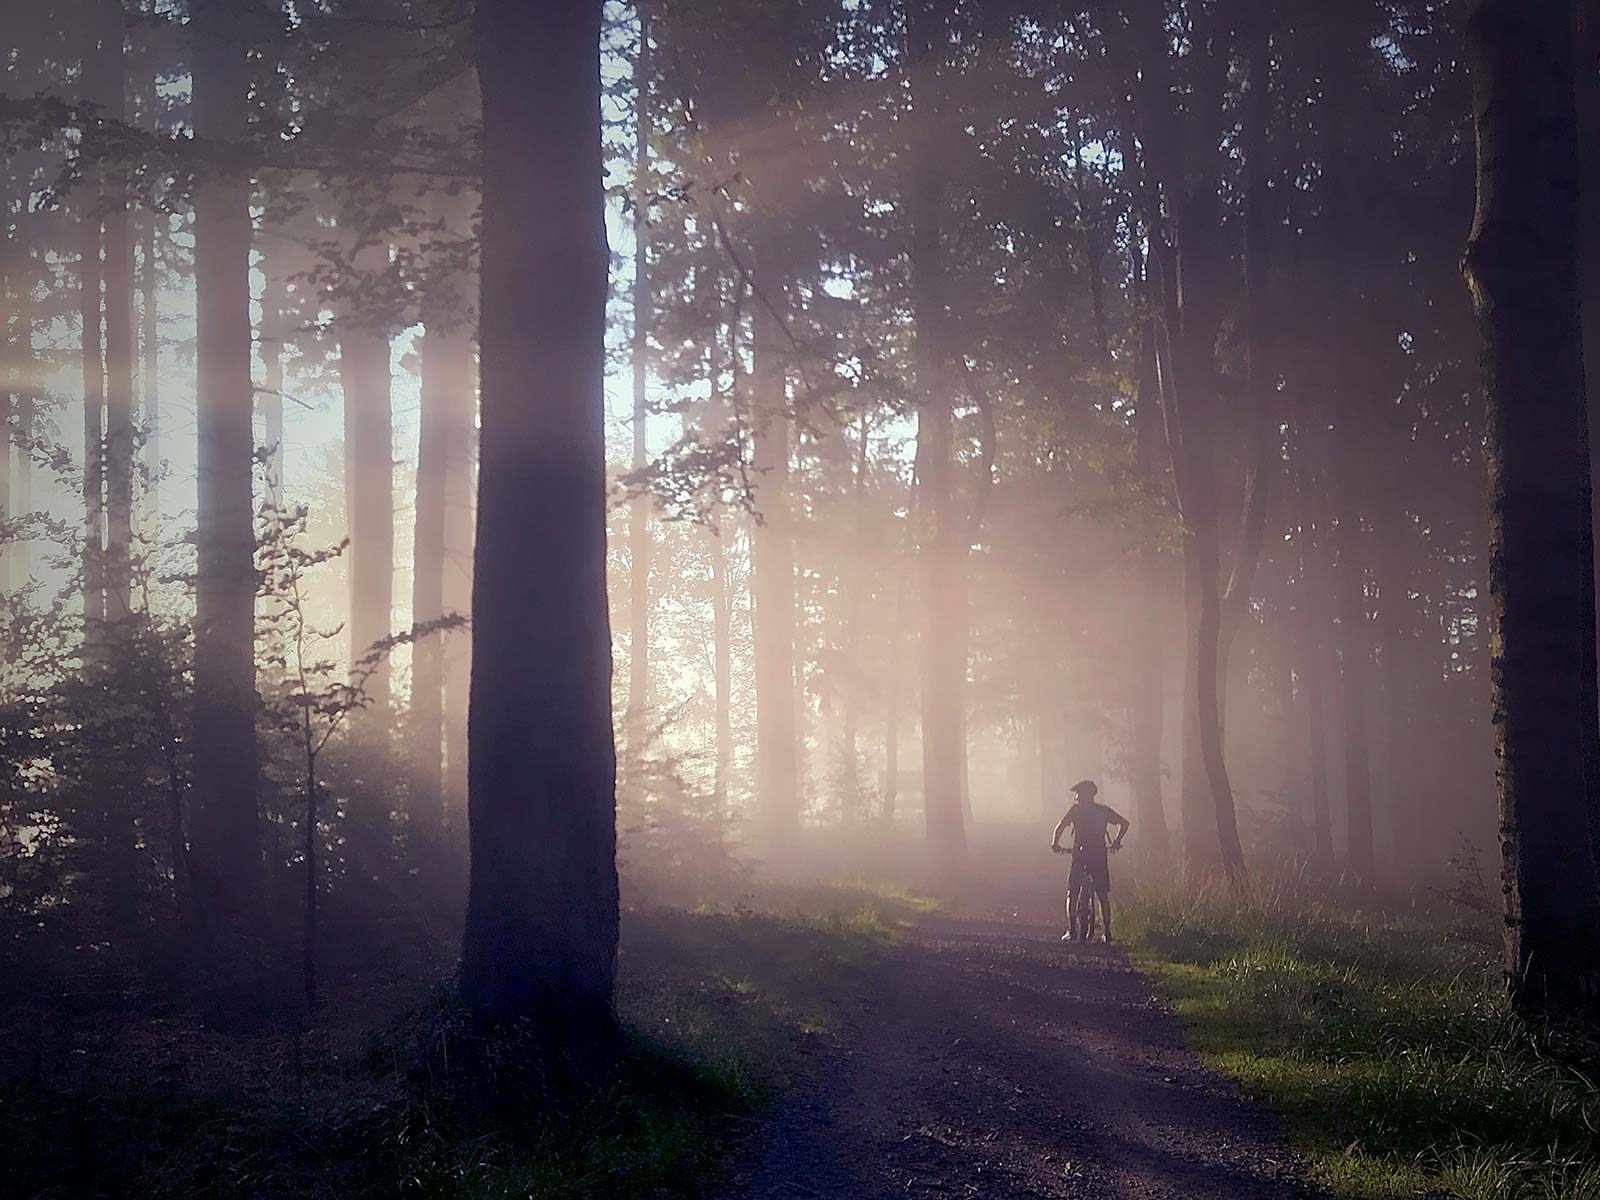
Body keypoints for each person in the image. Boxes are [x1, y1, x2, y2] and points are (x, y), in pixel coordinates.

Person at [1050, 780, 1129, 942]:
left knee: (1072, 892)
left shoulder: (1076, 810)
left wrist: (1055, 843)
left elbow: (1060, 826)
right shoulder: (1103, 811)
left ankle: (1071, 931)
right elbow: (1124, 823)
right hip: (1099, 855)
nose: (1076, 797)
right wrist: (1116, 841)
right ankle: (1107, 933)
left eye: (1078, 793)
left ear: (1085, 794)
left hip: (1080, 854)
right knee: (1102, 895)